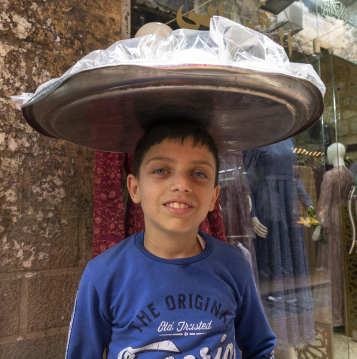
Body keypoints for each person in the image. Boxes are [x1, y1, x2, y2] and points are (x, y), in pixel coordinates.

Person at [65, 120, 276, 358]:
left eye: (199, 173)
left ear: (213, 198)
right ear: (135, 188)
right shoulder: (103, 275)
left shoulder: (234, 265)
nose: (182, 185)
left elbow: (260, 348)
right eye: (161, 170)